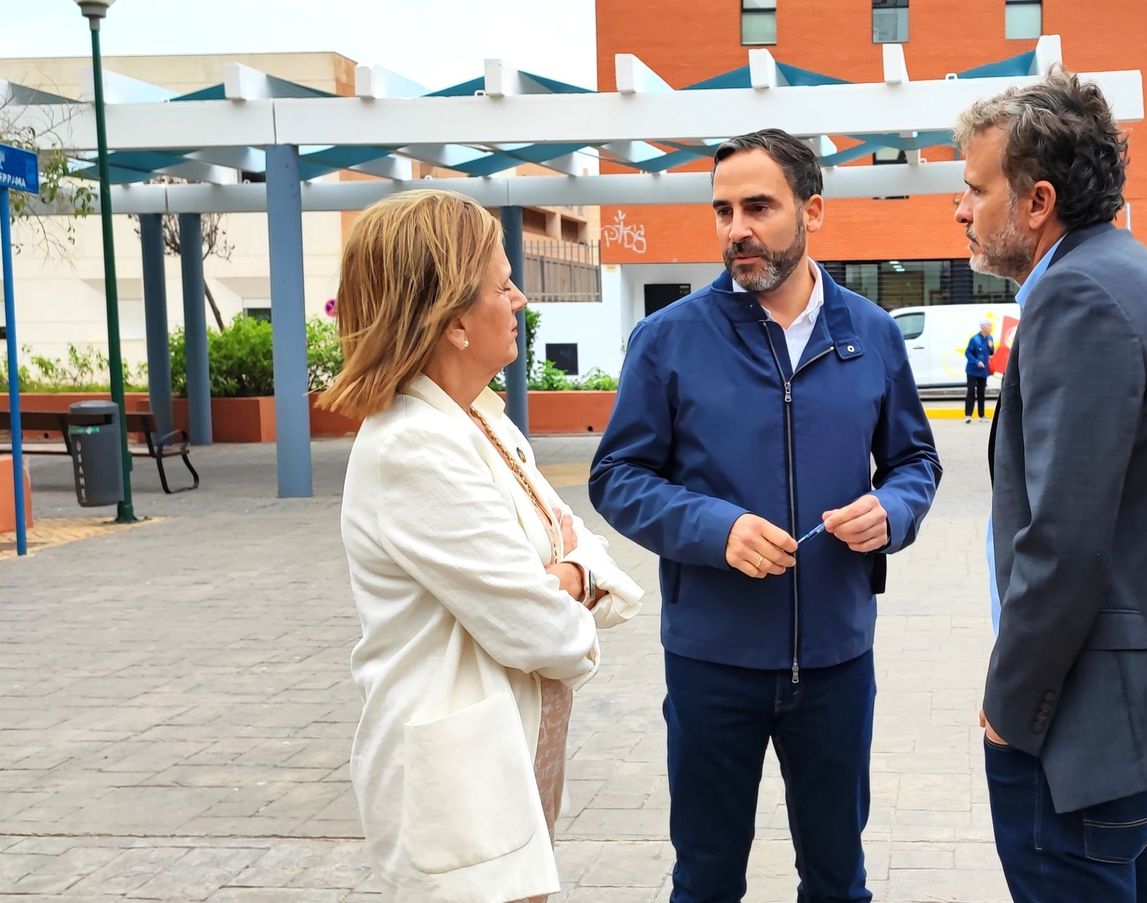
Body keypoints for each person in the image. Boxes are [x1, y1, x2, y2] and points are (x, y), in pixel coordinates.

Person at [589, 128, 941, 903]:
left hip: (837, 663)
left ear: (812, 208)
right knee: (707, 880)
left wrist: (893, 509)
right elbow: (616, 475)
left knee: (838, 880)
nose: (736, 228)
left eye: (758, 206)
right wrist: (715, 529)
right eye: (722, 210)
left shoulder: (872, 335)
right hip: (712, 664)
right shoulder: (668, 339)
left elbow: (917, 461)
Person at [953, 72, 1147, 902]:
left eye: (976, 188)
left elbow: (1064, 538)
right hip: (1134, 705)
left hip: (1077, 727)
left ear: (1036, 200)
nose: (962, 209)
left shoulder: (1077, 295)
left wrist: (1012, 702)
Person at [322, 189, 643, 902]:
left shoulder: (480, 423)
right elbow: (543, 632)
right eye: (502, 284)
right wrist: (565, 582)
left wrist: (561, 573)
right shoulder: (415, 446)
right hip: (461, 787)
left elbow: (584, 544)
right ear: (454, 321)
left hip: (507, 767)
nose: (521, 299)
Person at [964, 320, 996, 422]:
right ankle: (968, 415)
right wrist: (977, 362)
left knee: (981, 392)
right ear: (983, 327)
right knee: (971, 392)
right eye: (989, 325)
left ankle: (981, 416)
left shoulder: (990, 338)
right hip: (972, 370)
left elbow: (991, 353)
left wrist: (991, 347)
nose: (991, 327)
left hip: (983, 371)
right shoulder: (974, 339)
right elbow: (968, 353)